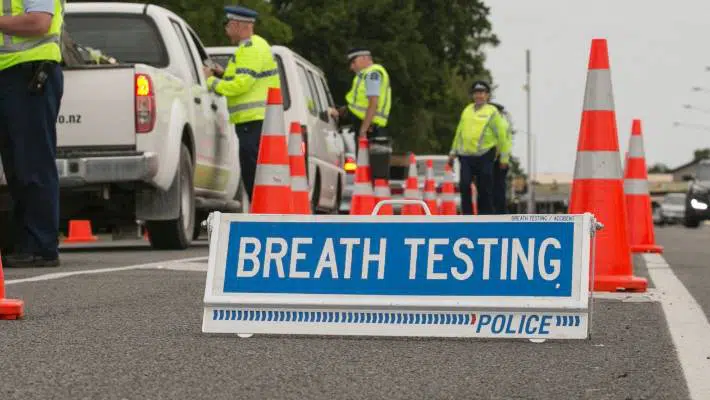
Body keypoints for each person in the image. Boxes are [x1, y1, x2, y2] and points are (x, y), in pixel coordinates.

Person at [0, 0, 65, 267]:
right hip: (11, 74)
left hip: (30, 73)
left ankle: (41, 246)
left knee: (33, 162)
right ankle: (25, 242)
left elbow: (39, 21)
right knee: (16, 165)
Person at [203, 5, 280, 202]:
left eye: (227, 25)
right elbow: (241, 77)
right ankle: (260, 206)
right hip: (255, 119)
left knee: (251, 169)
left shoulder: (250, 49)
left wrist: (211, 82)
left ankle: (259, 208)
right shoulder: (254, 46)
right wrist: (222, 73)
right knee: (254, 167)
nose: (225, 30)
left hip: (252, 119)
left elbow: (242, 84)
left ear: (237, 25)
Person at [448, 81, 511, 215]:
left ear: (487, 95)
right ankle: (467, 216)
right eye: (476, 93)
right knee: (464, 185)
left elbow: (501, 136)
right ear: (473, 95)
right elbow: (459, 132)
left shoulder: (492, 112)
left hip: (485, 155)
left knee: (484, 188)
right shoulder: (467, 110)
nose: (479, 96)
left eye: (482, 93)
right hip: (465, 155)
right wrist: (453, 151)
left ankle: (485, 216)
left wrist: (504, 158)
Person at [331, 48, 392, 180]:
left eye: (354, 62)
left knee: (368, 171)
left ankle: (369, 198)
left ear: (365, 58)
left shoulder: (372, 74)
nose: (351, 67)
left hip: (370, 129)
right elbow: (358, 106)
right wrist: (340, 112)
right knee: (367, 170)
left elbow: (373, 103)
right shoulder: (365, 75)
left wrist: (364, 130)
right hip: (369, 127)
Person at [490, 101, 513, 214]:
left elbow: (502, 144)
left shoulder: (500, 124)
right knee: (497, 187)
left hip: (498, 160)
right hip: (501, 160)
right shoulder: (503, 122)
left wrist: (502, 160)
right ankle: (499, 211)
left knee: (497, 188)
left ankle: (499, 212)